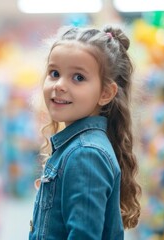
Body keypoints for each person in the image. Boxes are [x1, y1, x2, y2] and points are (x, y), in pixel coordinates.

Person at [29, 25, 141, 240]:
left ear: (106, 93)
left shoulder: (85, 154)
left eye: (78, 77)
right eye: (54, 73)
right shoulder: (80, 146)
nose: (59, 85)